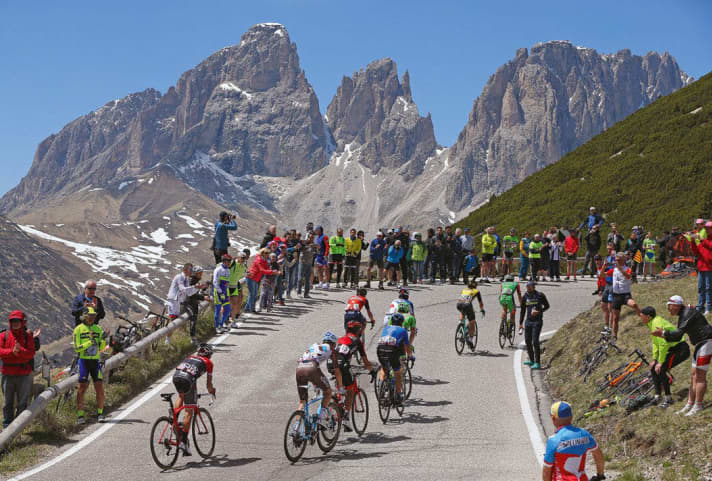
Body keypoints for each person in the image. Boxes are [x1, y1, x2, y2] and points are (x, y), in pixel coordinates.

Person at [652, 295, 712, 416]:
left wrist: (663, 333)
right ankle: (690, 403)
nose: (668, 309)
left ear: (676, 305)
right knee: (694, 375)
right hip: (700, 343)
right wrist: (664, 334)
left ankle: (698, 405)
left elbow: (678, 335)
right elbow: (678, 334)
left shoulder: (686, 313)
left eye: (669, 306)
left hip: (707, 342)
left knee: (700, 376)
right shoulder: (684, 313)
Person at [639, 306, 690, 408]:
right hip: (673, 349)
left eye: (642, 316)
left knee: (661, 369)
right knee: (653, 369)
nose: (640, 318)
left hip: (680, 349)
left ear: (648, 317)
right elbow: (655, 343)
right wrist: (654, 360)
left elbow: (663, 344)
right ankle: (657, 396)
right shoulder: (652, 323)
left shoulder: (656, 324)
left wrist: (660, 362)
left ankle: (668, 399)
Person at [328, 322, 375, 432]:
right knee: (351, 390)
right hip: (341, 364)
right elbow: (365, 362)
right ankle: (346, 418)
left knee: (341, 383)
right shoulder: (357, 341)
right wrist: (372, 371)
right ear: (358, 331)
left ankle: (336, 403)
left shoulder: (340, 339)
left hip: (330, 363)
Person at [543, 401, 606, 481]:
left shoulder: (553, 440)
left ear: (553, 418)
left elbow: (546, 471)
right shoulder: (584, 434)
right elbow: (598, 456)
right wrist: (600, 474)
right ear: (571, 417)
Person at [172, 343, 216, 456]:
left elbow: (191, 375)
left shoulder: (190, 357)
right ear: (209, 355)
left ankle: (174, 419)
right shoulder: (209, 363)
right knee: (189, 411)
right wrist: (212, 391)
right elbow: (208, 384)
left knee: (182, 395)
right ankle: (183, 442)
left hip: (176, 377)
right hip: (187, 380)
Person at [0, 311, 38, 427]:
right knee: (8, 402)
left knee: (23, 402)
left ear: (22, 322)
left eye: (17, 321)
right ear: (10, 322)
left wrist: (19, 351)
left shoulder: (27, 337)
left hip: (23, 374)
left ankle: (20, 426)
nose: (15, 323)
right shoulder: (3, 336)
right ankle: (7, 425)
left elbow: (31, 353)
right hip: (7, 374)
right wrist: (12, 352)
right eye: (13, 321)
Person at [296, 332, 340, 427]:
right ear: (333, 344)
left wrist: (316, 384)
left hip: (299, 368)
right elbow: (337, 371)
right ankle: (321, 417)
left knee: (302, 401)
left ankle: (296, 427)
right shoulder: (332, 350)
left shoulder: (314, 345)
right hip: (312, 367)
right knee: (328, 392)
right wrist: (340, 387)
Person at [73, 306, 107, 424]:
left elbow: (101, 348)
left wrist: (102, 340)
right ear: (84, 316)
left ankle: (100, 413)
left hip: (95, 362)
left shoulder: (98, 329)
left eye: (94, 316)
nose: (92, 318)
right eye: (90, 316)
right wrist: (90, 342)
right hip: (83, 361)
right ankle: (80, 415)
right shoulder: (78, 329)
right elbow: (77, 348)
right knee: (81, 389)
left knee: (99, 387)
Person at [376, 313, 412, 404]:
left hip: (380, 349)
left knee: (384, 367)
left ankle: (381, 383)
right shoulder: (403, 330)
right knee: (398, 372)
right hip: (392, 350)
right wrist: (410, 355)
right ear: (401, 322)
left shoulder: (386, 328)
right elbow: (407, 346)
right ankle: (399, 394)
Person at [610, 252, 641, 339]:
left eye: (618, 260)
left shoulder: (627, 269)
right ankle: (614, 335)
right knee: (615, 318)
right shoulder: (614, 269)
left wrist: (619, 267)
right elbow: (604, 275)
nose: (616, 261)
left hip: (625, 294)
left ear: (623, 260)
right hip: (616, 295)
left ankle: (642, 317)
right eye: (616, 260)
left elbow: (628, 276)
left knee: (634, 304)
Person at [520, 281, 550, 369]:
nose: (528, 288)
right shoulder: (525, 296)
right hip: (528, 321)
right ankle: (531, 360)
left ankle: (537, 362)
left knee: (535, 341)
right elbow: (522, 310)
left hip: (537, 321)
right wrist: (520, 323)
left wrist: (539, 311)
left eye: (530, 286)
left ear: (533, 287)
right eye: (527, 286)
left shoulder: (540, 295)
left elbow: (547, 306)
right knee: (527, 341)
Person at [182, 266, 211, 345]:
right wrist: (203, 297)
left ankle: (193, 336)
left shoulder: (195, 280)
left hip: (193, 302)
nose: (201, 274)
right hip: (188, 302)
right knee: (193, 318)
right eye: (199, 273)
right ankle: (192, 338)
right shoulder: (192, 281)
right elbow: (191, 295)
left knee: (194, 318)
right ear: (195, 273)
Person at [688, 226, 712, 315]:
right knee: (700, 288)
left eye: (709, 229)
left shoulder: (706, 241)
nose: (707, 230)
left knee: (708, 288)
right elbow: (696, 252)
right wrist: (693, 241)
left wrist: (701, 239)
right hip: (701, 267)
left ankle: (708, 308)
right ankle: (700, 306)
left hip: (709, 268)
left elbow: (710, 245)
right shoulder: (704, 241)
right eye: (706, 229)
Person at [245, 248, 277, 312]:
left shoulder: (264, 260)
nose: (267, 255)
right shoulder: (258, 260)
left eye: (268, 253)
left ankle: (247, 308)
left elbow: (267, 268)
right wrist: (272, 272)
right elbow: (262, 270)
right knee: (253, 294)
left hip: (256, 278)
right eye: (266, 253)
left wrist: (272, 271)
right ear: (262, 253)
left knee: (253, 294)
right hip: (251, 278)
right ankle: (252, 309)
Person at [457, 281, 485, 349]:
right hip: (467, 305)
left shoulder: (464, 290)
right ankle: (470, 340)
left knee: (463, 312)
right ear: (475, 286)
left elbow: (465, 300)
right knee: (472, 322)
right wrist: (482, 309)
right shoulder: (476, 291)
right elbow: (480, 303)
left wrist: (472, 309)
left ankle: (460, 324)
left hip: (459, 304)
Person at [212, 254, 232, 333]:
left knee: (227, 309)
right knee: (217, 310)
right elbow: (215, 282)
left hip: (225, 291)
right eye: (228, 261)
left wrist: (227, 292)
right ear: (224, 261)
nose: (229, 263)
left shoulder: (228, 270)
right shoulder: (218, 270)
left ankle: (221, 324)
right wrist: (220, 292)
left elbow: (227, 282)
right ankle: (217, 327)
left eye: (230, 261)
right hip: (218, 292)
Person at [229, 252, 248, 320]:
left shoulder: (243, 266)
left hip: (235, 285)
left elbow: (241, 276)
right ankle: (225, 320)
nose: (243, 260)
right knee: (227, 303)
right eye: (242, 258)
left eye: (244, 258)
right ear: (238, 257)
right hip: (227, 285)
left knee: (235, 302)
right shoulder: (232, 263)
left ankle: (234, 318)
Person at [297, 233, 316, 298]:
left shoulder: (314, 245)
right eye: (310, 237)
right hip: (302, 262)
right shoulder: (304, 243)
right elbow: (300, 249)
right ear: (308, 237)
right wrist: (308, 246)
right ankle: (299, 292)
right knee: (300, 278)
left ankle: (306, 293)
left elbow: (316, 253)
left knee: (308, 279)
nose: (311, 239)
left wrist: (317, 248)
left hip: (309, 263)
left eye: (312, 238)